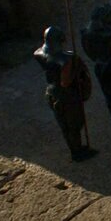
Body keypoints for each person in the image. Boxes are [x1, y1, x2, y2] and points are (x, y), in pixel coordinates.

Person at [33, 26, 98, 162]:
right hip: (66, 96)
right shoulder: (66, 60)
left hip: (52, 92)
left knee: (65, 125)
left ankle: (76, 148)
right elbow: (65, 81)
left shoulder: (39, 53)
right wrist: (75, 66)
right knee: (73, 125)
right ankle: (77, 152)